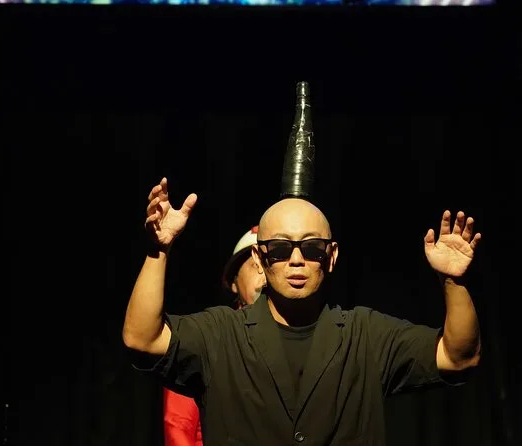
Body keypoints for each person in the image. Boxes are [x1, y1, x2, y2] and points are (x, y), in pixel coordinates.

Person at [123, 82, 482, 444]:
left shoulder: (366, 336)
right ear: (260, 257)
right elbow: (142, 339)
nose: (296, 259)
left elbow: (457, 358)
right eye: (280, 249)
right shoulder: (221, 335)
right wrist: (158, 252)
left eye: (311, 248)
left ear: (331, 256)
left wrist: (453, 282)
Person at [162, 225, 265, 446]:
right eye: (255, 264)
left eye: (269, 264)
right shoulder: (208, 339)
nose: (264, 274)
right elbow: (178, 427)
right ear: (234, 282)